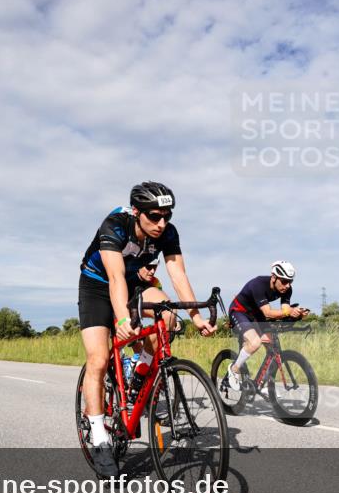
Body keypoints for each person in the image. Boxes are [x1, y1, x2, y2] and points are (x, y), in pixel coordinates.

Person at [78, 182, 216, 477]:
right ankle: (100, 438)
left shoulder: (167, 231)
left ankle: (137, 374)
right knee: (99, 359)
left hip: (135, 284)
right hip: (98, 286)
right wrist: (122, 320)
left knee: (167, 318)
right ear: (137, 212)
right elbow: (115, 279)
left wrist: (195, 316)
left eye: (166, 216)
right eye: (154, 216)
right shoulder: (115, 225)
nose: (161, 223)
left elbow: (178, 274)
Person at [225, 261, 309, 391]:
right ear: (274, 277)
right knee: (254, 342)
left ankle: (261, 384)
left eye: (290, 282)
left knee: (272, 345)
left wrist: (296, 315)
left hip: (256, 314)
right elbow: (268, 313)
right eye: (284, 281)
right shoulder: (258, 284)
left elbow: (285, 311)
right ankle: (234, 370)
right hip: (239, 311)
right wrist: (289, 312)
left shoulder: (287, 290)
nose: (287, 286)